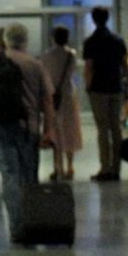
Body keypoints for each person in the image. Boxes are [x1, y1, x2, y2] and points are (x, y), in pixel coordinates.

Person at [0, 24, 56, 243]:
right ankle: (31, 223)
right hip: (29, 128)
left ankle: (16, 227)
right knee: (29, 176)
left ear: (5, 40)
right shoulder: (35, 65)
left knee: (9, 174)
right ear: (25, 40)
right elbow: (47, 100)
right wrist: (48, 130)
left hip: (2, 125)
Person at [82, 6, 128, 181]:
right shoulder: (117, 41)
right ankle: (116, 168)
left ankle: (105, 168)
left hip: (98, 90)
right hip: (115, 88)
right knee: (116, 128)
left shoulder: (90, 42)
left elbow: (89, 68)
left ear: (94, 20)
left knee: (102, 129)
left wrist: (88, 87)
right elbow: (125, 65)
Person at [39, 27, 83, 179]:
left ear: (53, 38)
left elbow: (44, 76)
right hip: (69, 95)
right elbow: (73, 72)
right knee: (70, 130)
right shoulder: (72, 55)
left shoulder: (46, 56)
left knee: (55, 131)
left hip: (52, 97)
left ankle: (58, 167)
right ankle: (70, 166)